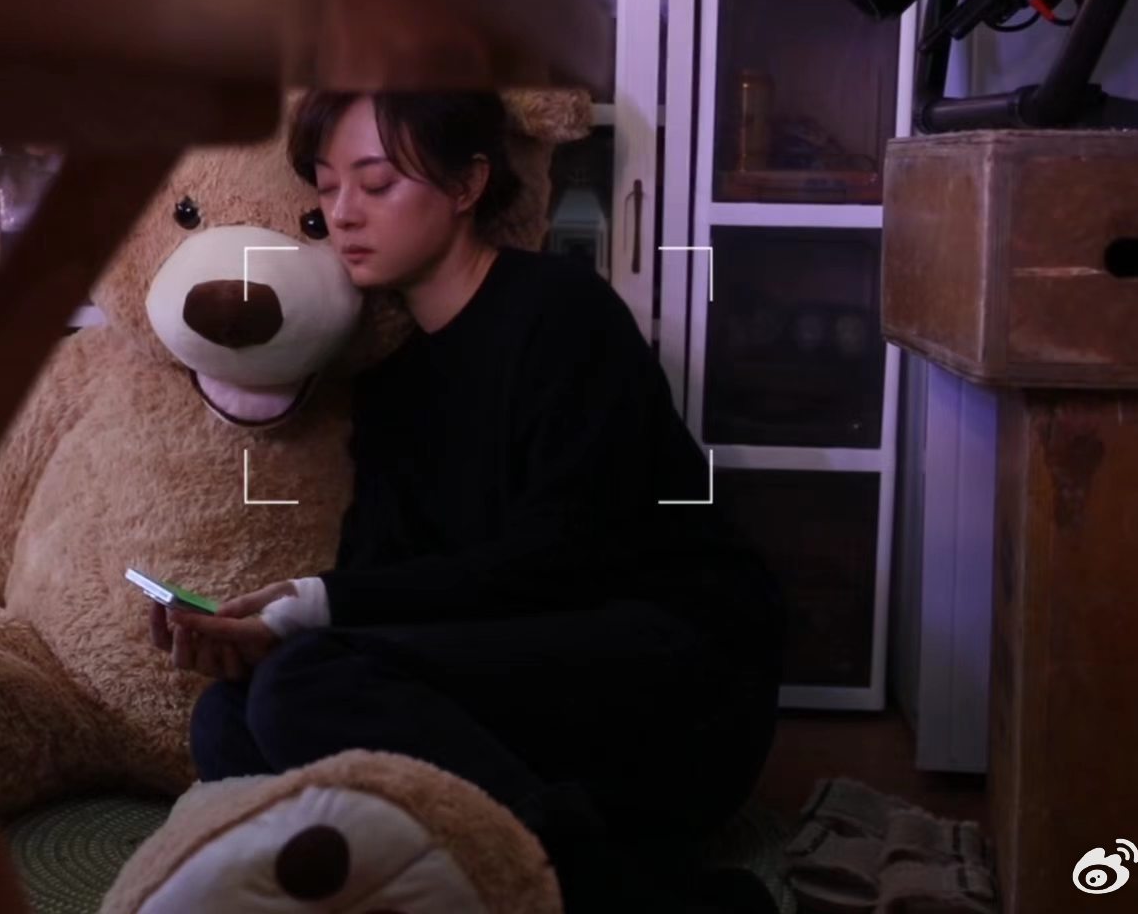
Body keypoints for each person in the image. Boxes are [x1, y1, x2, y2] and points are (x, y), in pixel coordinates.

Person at [151, 90, 785, 914]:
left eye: (376, 184)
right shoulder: (392, 377)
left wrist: (315, 608)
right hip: (520, 685)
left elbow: (563, 560)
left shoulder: (563, 312)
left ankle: (617, 895)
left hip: (672, 680)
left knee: (301, 687)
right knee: (230, 716)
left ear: (466, 184)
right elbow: (383, 579)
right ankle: (422, 878)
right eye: (328, 187)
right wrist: (269, 627)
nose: (344, 214)